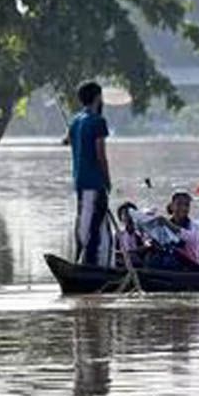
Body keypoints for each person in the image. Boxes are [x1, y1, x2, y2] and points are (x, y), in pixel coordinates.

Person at [68, 80, 112, 267]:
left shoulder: (76, 121)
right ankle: (91, 265)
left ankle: (92, 262)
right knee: (92, 227)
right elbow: (100, 155)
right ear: (97, 97)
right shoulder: (97, 122)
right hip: (94, 182)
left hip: (80, 181)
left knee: (88, 223)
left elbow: (70, 143)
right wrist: (107, 180)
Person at [142, 191, 199, 270]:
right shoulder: (161, 226)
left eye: (186, 205)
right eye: (179, 204)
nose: (183, 208)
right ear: (171, 206)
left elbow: (189, 239)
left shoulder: (195, 227)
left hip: (189, 267)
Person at [115, 201, 148, 268]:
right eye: (125, 214)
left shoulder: (140, 233)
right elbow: (115, 250)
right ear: (121, 218)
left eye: (131, 214)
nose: (129, 217)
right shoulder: (118, 234)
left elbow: (146, 246)